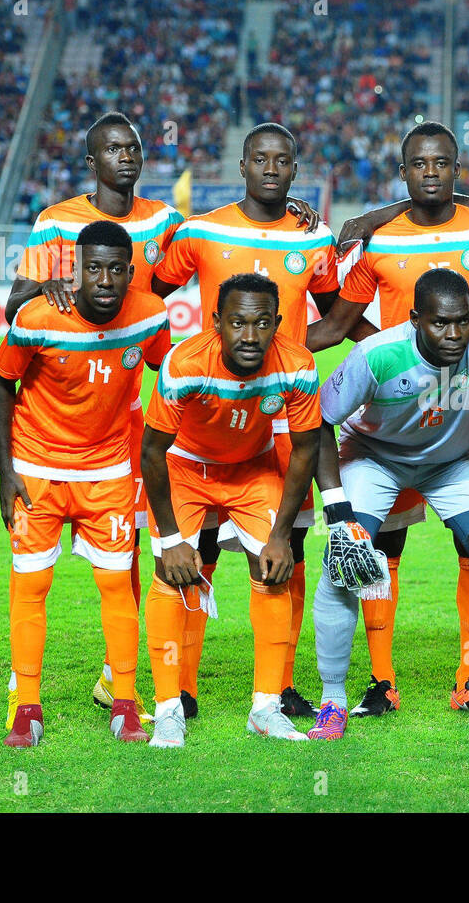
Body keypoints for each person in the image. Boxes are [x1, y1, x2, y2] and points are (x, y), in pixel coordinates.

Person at [308, 122, 469, 717]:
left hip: (466, 420)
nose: (430, 173)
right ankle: (381, 681)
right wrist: (379, 360)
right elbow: (336, 326)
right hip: (390, 426)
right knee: (378, 549)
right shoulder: (379, 245)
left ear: (457, 169)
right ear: (404, 172)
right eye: (418, 165)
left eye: (442, 164)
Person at [307, 268, 469, 739]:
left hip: (454, 463)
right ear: (414, 319)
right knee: (342, 559)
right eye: (440, 323)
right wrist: (338, 507)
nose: (454, 334)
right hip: (373, 459)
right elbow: (318, 421)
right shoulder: (377, 354)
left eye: (463, 321)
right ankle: (332, 701)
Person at [150, 122, 336, 720]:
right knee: (195, 550)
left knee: (288, 550)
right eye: (261, 159)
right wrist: (171, 364)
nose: (272, 170)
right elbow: (151, 292)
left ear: (295, 169)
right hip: (214, 406)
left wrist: (307, 357)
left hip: (284, 408)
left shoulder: (316, 237)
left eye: (283, 161)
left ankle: (277, 687)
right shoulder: (200, 230)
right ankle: (182, 685)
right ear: (243, 165)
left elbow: (335, 314)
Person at [3, 111, 183, 723]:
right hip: (62, 403)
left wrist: (296, 211)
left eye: (133, 146)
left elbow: (218, 246)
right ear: (92, 161)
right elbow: (13, 305)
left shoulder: (164, 221)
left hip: (124, 411)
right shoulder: (55, 223)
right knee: (43, 572)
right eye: (112, 149)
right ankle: (25, 687)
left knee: (125, 554)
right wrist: (42, 290)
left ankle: (118, 680)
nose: (125, 156)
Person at [0, 221, 171, 746]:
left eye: (116, 268)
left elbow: (168, 370)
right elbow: (2, 383)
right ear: (75, 269)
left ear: (131, 273)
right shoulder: (38, 318)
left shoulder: (150, 314)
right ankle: (26, 704)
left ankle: (126, 703)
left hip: (109, 471)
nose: (105, 279)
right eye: (94, 268)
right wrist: (7, 472)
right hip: (37, 471)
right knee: (32, 583)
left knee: (116, 584)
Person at [140, 273, 320, 747]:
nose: (249, 335)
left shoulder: (297, 364)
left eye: (262, 323)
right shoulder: (185, 362)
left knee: (275, 570)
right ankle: (167, 710)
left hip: (251, 469)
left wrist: (281, 534)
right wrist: (174, 538)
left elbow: (305, 450)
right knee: (167, 570)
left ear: (277, 324)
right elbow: (153, 452)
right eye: (237, 322)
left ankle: (265, 707)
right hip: (184, 467)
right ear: (217, 321)